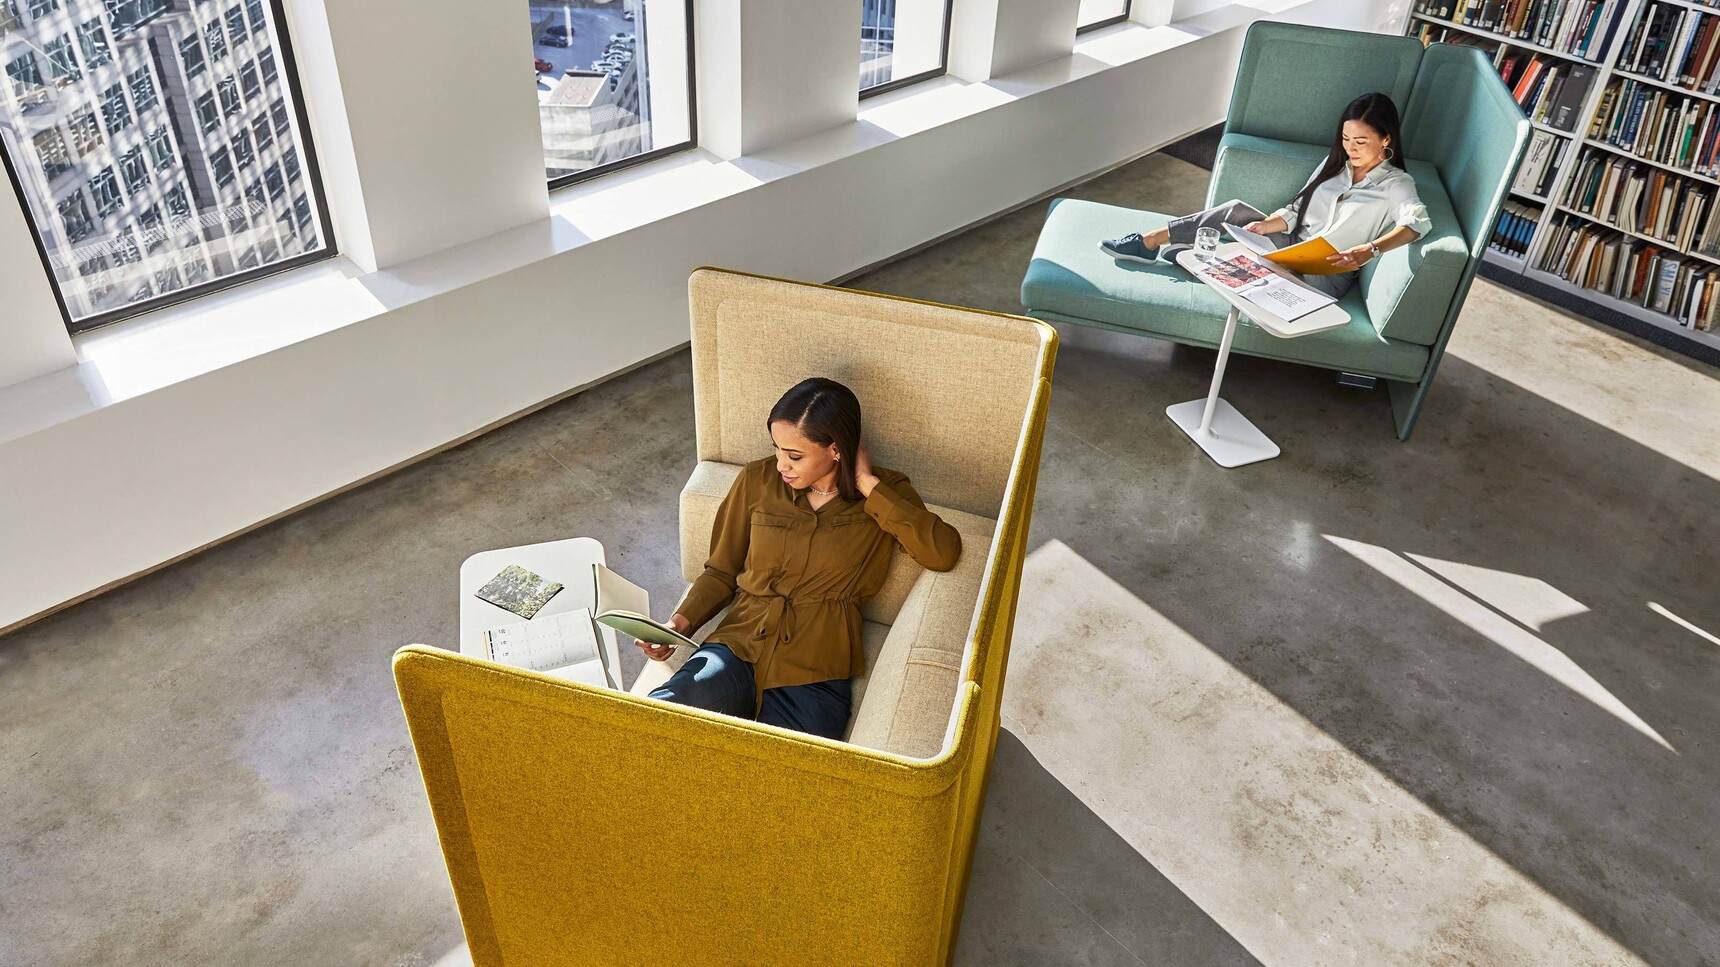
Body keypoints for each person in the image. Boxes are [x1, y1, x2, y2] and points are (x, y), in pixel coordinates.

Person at [641, 377, 962, 740]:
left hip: (816, 669)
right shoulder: (757, 480)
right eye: (777, 449)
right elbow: (720, 571)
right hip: (738, 646)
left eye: (795, 456)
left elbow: (943, 552)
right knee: (653, 721)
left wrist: (865, 483)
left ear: (836, 449)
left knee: (791, 777)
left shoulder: (885, 493)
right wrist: (679, 625)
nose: (781, 465)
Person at [1100, 91, 1431, 299]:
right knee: (1237, 211)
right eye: (1346, 139)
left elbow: (1417, 223)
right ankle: (1149, 242)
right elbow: (1296, 208)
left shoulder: (1395, 184)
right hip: (1292, 247)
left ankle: (1202, 262)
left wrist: (1370, 250)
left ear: (1386, 139)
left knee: (1261, 265)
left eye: (1361, 141)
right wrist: (1270, 224)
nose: (1351, 148)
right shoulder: (1335, 166)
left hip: (1326, 273)